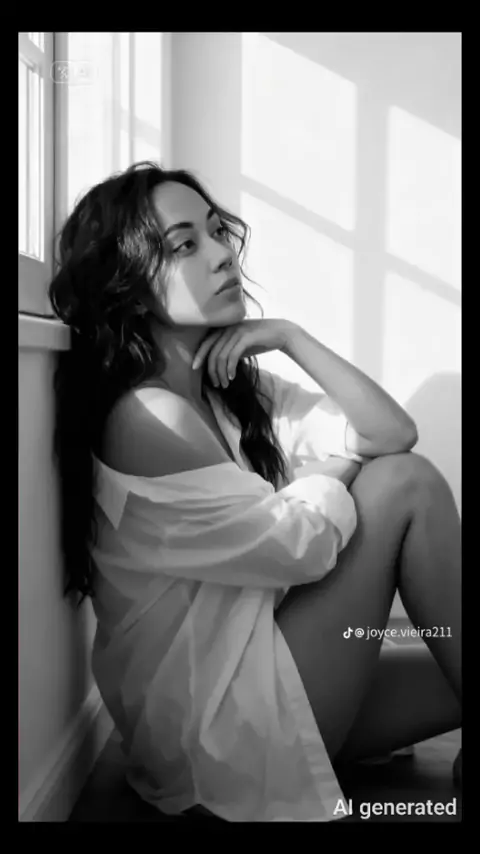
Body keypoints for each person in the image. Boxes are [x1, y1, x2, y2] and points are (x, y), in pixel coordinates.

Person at [49, 161, 462, 823]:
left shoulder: (228, 390)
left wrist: (291, 338)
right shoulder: (149, 417)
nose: (221, 254)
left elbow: (393, 430)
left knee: (453, 664)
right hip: (220, 731)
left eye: (218, 232)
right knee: (405, 483)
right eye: (185, 245)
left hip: (263, 670)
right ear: (128, 285)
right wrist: (341, 467)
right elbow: (299, 547)